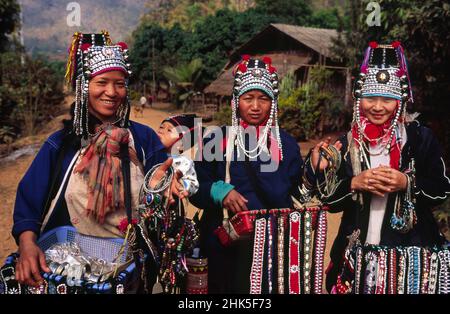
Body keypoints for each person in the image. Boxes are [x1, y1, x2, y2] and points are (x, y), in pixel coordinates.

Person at [11, 32, 185, 288]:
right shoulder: (60, 146)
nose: (112, 92)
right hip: (69, 270)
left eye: (120, 84)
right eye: (101, 82)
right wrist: (27, 244)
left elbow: (162, 184)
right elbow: (29, 203)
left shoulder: (144, 139)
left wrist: (161, 187)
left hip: (131, 270)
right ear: (84, 86)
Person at [190, 56, 327, 293]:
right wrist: (218, 190)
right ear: (235, 102)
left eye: (263, 98)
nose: (255, 106)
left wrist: (313, 171)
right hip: (223, 246)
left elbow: (297, 198)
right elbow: (193, 187)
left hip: (271, 248)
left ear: (273, 103)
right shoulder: (216, 139)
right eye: (248, 98)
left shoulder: (286, 144)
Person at [323, 42, 450, 292]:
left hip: (409, 255)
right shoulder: (346, 142)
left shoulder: (420, 138)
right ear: (359, 99)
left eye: (387, 99)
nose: (378, 107)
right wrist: (354, 184)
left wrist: (406, 183)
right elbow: (329, 198)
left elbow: (441, 189)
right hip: (356, 253)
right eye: (370, 98)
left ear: (400, 101)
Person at [156, 113, 201, 197]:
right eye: (161, 127)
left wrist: (181, 185)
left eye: (169, 130)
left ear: (181, 145)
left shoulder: (184, 162)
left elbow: (193, 183)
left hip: (169, 206)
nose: (161, 131)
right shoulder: (151, 152)